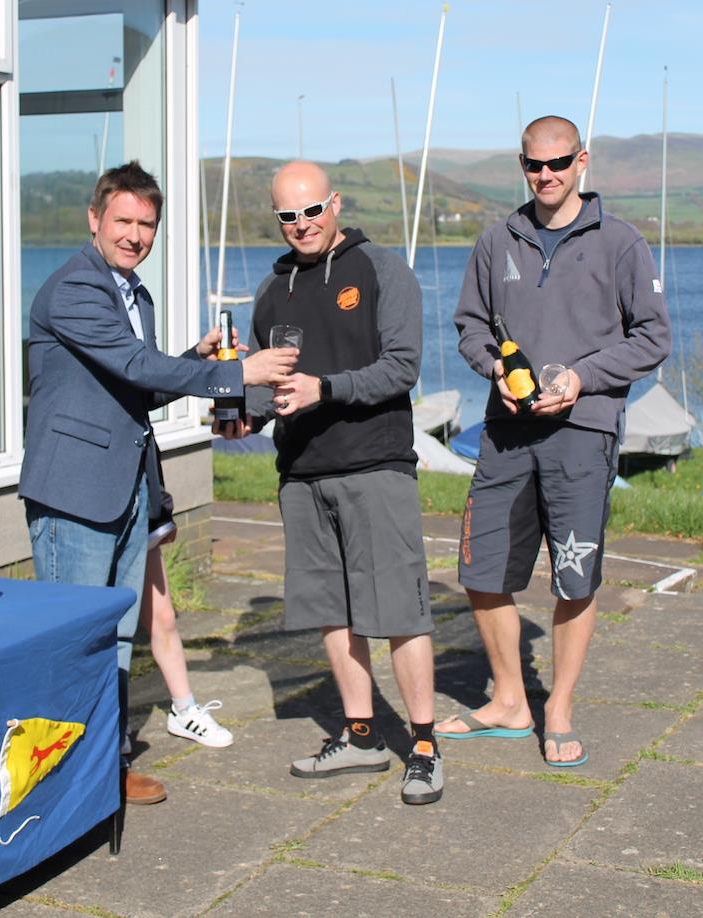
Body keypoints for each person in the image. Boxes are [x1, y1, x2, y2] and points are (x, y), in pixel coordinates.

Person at [19, 161, 295, 804]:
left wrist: (199, 362)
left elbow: (137, 381)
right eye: (123, 220)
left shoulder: (132, 293)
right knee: (71, 641)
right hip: (74, 493)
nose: (135, 235)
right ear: (95, 219)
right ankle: (54, 786)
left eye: (147, 224)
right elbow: (135, 361)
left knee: (115, 636)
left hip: (126, 486)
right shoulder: (74, 290)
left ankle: (104, 770)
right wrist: (238, 371)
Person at [437, 116, 671, 766]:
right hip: (506, 432)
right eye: (535, 166)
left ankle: (558, 710)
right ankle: (510, 701)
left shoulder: (620, 242)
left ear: (582, 161)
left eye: (559, 163)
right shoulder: (495, 240)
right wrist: (491, 370)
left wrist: (582, 378)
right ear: (522, 165)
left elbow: (652, 338)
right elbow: (470, 326)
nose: (547, 176)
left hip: (583, 432)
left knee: (573, 579)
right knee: (481, 571)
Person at [223, 160, 443, 806]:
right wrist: (246, 416)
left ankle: (425, 747)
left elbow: (402, 367)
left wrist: (328, 390)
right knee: (332, 611)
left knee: (399, 610)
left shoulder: (382, 270)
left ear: (336, 204)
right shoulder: (271, 292)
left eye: (312, 210)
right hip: (301, 476)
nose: (302, 225)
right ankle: (361, 735)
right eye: (288, 216)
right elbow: (271, 394)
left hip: (375, 465)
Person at [137, 492, 233, 750]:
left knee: (164, 619)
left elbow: (148, 457)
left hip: (138, 512)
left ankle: (184, 710)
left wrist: (161, 510)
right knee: (108, 629)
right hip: (97, 515)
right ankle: (111, 726)